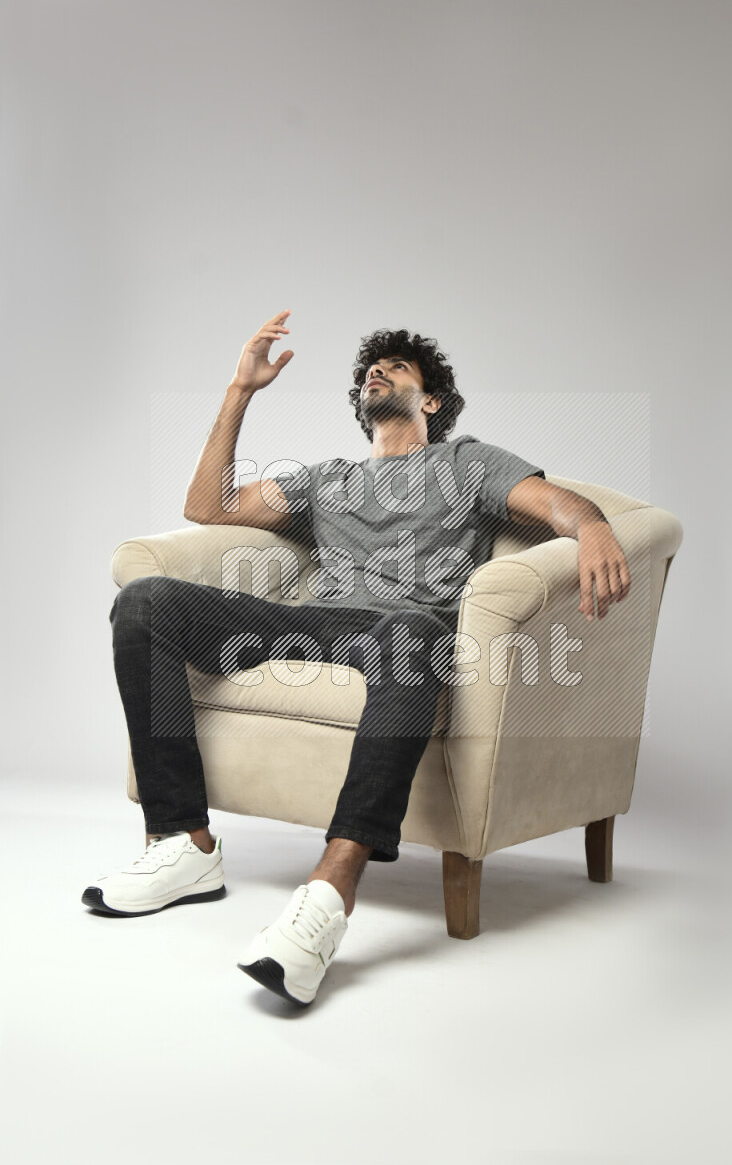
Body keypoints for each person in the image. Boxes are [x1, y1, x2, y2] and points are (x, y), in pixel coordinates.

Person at [83, 309, 631, 1008]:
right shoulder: (327, 479)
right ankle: (183, 843)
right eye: (372, 368)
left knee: (413, 634)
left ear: (430, 401)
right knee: (146, 601)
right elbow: (206, 506)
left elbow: (555, 506)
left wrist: (593, 526)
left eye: (397, 367)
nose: (377, 371)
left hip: (402, 631)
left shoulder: (468, 462)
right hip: (316, 623)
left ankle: (328, 894)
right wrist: (240, 391)